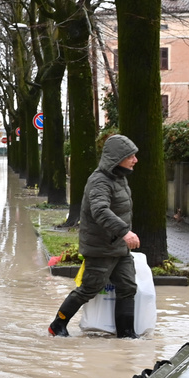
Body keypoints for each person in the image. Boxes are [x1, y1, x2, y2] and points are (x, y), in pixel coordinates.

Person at [48, 134, 142, 338]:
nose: (135, 160)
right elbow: (100, 211)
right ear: (117, 158)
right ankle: (57, 325)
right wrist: (125, 232)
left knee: (128, 287)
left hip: (119, 248)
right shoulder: (99, 181)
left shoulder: (121, 179)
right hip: (101, 248)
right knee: (89, 289)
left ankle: (127, 335)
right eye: (131, 156)